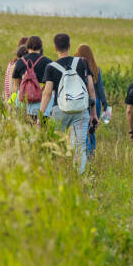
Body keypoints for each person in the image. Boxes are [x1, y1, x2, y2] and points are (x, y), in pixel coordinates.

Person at [39, 33, 99, 174]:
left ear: (55, 48)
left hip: (59, 110)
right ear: (69, 46)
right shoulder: (83, 62)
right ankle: (79, 176)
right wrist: (93, 113)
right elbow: (91, 88)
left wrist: (40, 116)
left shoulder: (51, 67)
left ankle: (58, 174)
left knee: (56, 145)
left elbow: (47, 93)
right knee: (80, 146)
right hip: (81, 110)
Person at [75, 43, 109, 158]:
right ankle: (92, 153)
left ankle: (86, 155)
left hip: (82, 101)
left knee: (83, 129)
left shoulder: (76, 68)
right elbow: (100, 89)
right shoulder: (96, 69)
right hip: (96, 103)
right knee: (92, 130)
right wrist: (105, 104)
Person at [13, 36, 52, 122]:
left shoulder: (20, 62)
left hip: (23, 104)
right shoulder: (48, 62)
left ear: (27, 47)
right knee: (42, 129)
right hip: (43, 105)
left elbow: (15, 86)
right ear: (40, 47)